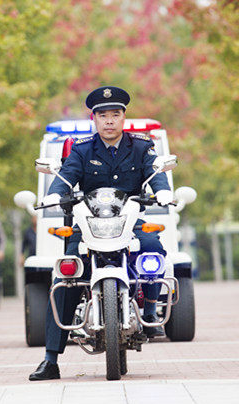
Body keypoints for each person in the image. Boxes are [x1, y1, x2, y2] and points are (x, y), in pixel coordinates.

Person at [29, 86, 174, 381]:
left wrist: (162, 192)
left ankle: (149, 315)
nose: (109, 120)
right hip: (87, 227)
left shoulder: (141, 146)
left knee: (152, 249)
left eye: (115, 115)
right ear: (94, 118)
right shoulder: (82, 149)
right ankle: (50, 359)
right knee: (67, 275)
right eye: (103, 115)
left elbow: (155, 173)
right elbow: (65, 177)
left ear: (124, 117)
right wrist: (54, 195)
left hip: (128, 223)